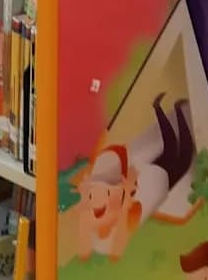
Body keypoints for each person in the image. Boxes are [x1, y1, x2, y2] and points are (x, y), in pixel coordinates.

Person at [76, 94, 194, 261]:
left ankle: (169, 109)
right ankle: (165, 109)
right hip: (150, 182)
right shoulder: (111, 223)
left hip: (150, 181)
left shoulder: (107, 215)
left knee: (179, 155)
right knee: (175, 152)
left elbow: (125, 198)